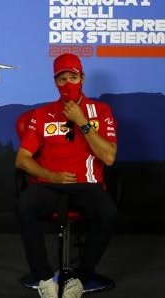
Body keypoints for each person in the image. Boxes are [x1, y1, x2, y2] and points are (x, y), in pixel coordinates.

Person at [15, 53, 118, 298]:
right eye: (62, 79)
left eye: (73, 77)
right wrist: (51, 175)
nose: (68, 84)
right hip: (50, 183)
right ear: (55, 82)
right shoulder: (41, 115)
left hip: (87, 184)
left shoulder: (101, 111)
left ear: (82, 78)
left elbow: (109, 157)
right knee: (24, 205)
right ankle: (44, 279)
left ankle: (81, 278)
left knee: (108, 214)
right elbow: (22, 159)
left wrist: (81, 120)